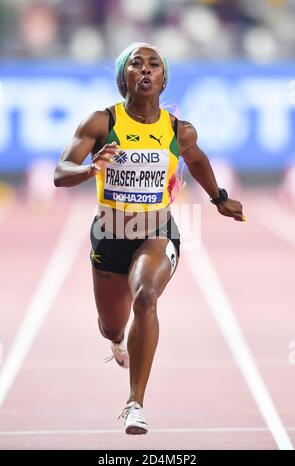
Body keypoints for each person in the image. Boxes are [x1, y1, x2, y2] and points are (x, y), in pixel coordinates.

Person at [54, 42, 245, 435]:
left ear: (163, 79)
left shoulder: (179, 130)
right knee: (111, 326)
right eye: (136, 64)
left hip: (157, 232)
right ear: (123, 78)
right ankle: (117, 341)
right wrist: (91, 169)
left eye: (153, 65)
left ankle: (134, 403)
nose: (145, 70)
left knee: (146, 295)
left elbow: (197, 160)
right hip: (110, 235)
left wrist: (219, 198)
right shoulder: (100, 123)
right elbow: (60, 171)